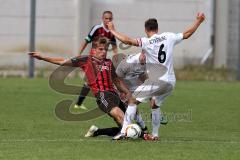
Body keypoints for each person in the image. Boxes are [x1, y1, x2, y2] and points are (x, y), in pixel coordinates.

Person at [107, 12, 206, 140]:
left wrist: (112, 30)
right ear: (157, 29)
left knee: (132, 100)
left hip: (157, 81)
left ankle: (124, 131)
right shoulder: (169, 36)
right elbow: (186, 34)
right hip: (170, 82)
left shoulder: (146, 41)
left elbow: (127, 40)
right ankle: (155, 135)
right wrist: (198, 21)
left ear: (146, 29)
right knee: (154, 104)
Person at [29, 36, 145, 138]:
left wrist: (127, 94)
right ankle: (132, 134)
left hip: (115, 95)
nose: (103, 52)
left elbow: (117, 81)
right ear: (93, 50)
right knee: (122, 118)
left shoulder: (109, 63)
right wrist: (43, 57)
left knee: (127, 127)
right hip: (102, 95)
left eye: (105, 49)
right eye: (100, 49)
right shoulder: (86, 60)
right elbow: (63, 61)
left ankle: (97, 132)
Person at [75, 11, 118, 110]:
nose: (108, 20)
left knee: (90, 81)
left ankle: (79, 103)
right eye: (106, 18)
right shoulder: (97, 28)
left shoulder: (111, 31)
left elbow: (114, 45)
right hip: (93, 59)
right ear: (102, 19)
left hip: (103, 60)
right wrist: (79, 54)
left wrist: (116, 57)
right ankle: (99, 101)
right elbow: (86, 40)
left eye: (110, 19)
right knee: (91, 80)